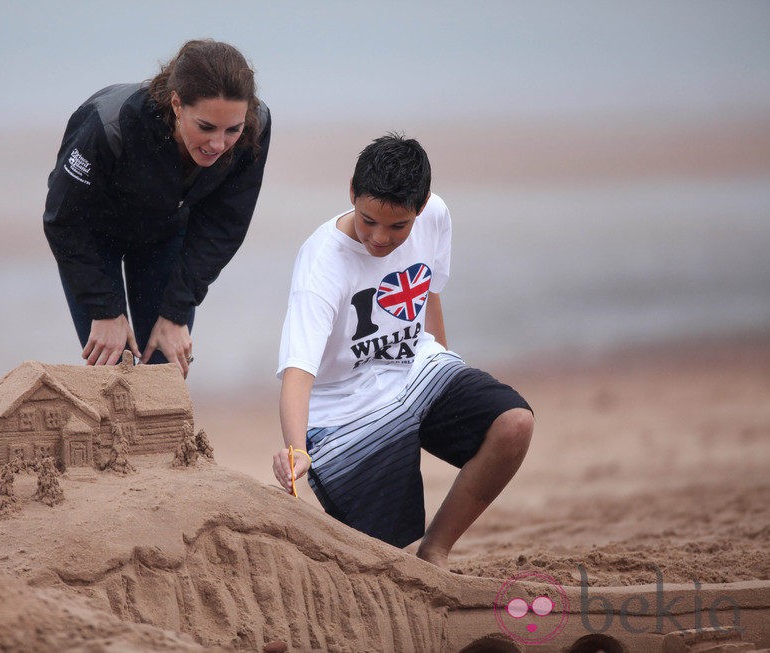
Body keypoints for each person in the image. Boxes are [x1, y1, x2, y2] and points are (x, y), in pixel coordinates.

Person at [272, 134, 533, 567]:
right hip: (344, 407)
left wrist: (446, 370)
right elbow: (299, 370)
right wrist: (296, 450)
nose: (380, 238)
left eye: (398, 226)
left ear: (422, 205)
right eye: (368, 220)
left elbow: (428, 290)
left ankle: (437, 550)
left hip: (417, 369)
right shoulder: (322, 264)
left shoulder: (436, 216)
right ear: (352, 193)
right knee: (385, 554)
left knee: (514, 425)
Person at [43, 39, 271, 376]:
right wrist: (103, 309)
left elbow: (224, 225)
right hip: (92, 237)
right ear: (177, 104)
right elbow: (63, 220)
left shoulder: (255, 126)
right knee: (115, 370)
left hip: (164, 236)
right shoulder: (108, 125)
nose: (219, 144)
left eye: (231, 130)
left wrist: (177, 311)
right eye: (205, 127)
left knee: (164, 372)